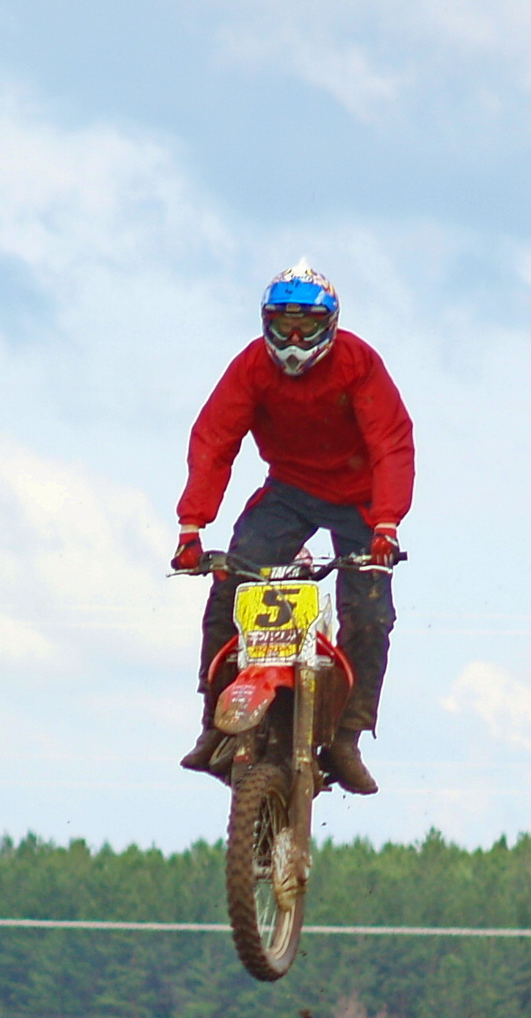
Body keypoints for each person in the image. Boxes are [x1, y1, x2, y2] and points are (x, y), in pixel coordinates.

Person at [173, 261, 415, 796]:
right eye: (284, 326)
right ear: (266, 325)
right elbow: (214, 437)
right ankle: (215, 722)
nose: (295, 338)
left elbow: (391, 442)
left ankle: (347, 736)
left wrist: (388, 524)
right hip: (289, 490)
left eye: (306, 325)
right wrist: (192, 526)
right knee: (229, 582)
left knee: (371, 614)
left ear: (330, 325)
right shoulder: (253, 368)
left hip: (361, 499)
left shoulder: (358, 363)